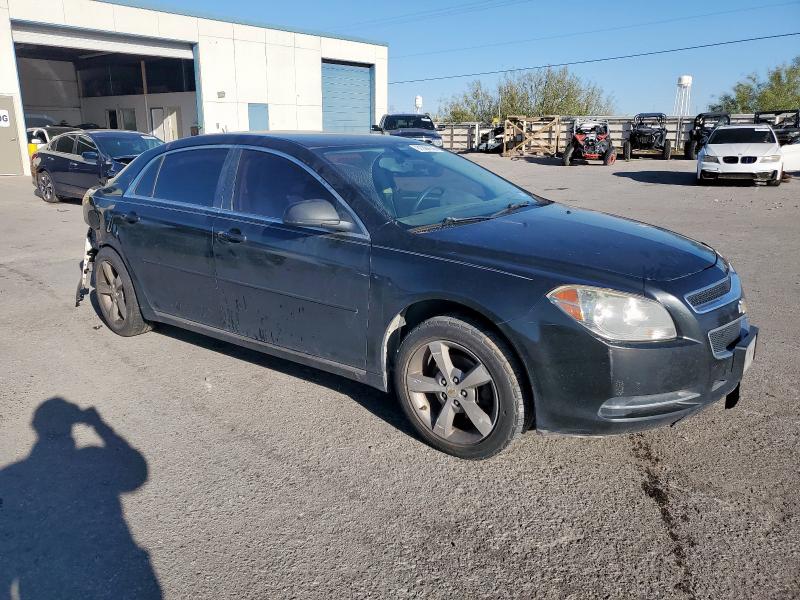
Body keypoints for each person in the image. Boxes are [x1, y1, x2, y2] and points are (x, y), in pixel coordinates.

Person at [0, 397, 161, 599]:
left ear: (35, 427)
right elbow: (136, 471)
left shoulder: (9, 478)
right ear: (74, 424)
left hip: (50, 587)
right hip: (121, 576)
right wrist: (100, 426)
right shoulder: (93, 459)